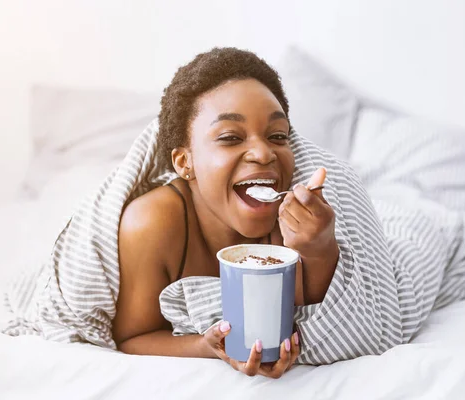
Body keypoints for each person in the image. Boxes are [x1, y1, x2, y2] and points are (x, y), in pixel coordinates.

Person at [112, 47, 339, 378]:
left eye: (278, 136)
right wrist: (205, 348)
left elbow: (318, 313)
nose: (263, 153)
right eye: (231, 137)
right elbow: (133, 338)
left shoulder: (290, 217)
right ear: (184, 162)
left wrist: (319, 246)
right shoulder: (152, 223)